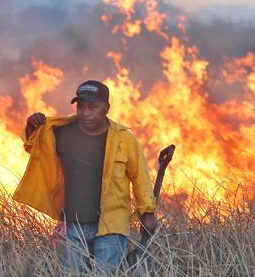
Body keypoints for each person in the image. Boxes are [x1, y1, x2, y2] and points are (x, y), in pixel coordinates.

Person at [13, 80, 157, 274]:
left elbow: (140, 176)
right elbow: (35, 147)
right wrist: (32, 126)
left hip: (111, 227)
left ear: (106, 108)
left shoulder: (124, 139)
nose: (85, 113)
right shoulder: (62, 132)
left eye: (92, 107)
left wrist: (147, 212)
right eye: (81, 107)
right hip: (74, 225)